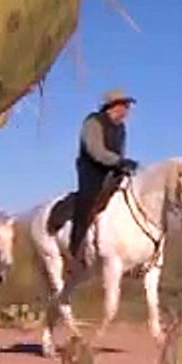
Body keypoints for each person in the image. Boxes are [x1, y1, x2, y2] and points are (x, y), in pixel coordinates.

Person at [68, 89, 140, 265]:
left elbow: (120, 153)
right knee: (89, 200)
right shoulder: (93, 122)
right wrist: (118, 161)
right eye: (124, 105)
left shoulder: (121, 129)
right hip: (92, 170)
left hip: (113, 170)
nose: (127, 110)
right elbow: (95, 150)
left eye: (127, 106)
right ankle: (76, 247)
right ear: (113, 106)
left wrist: (125, 166)